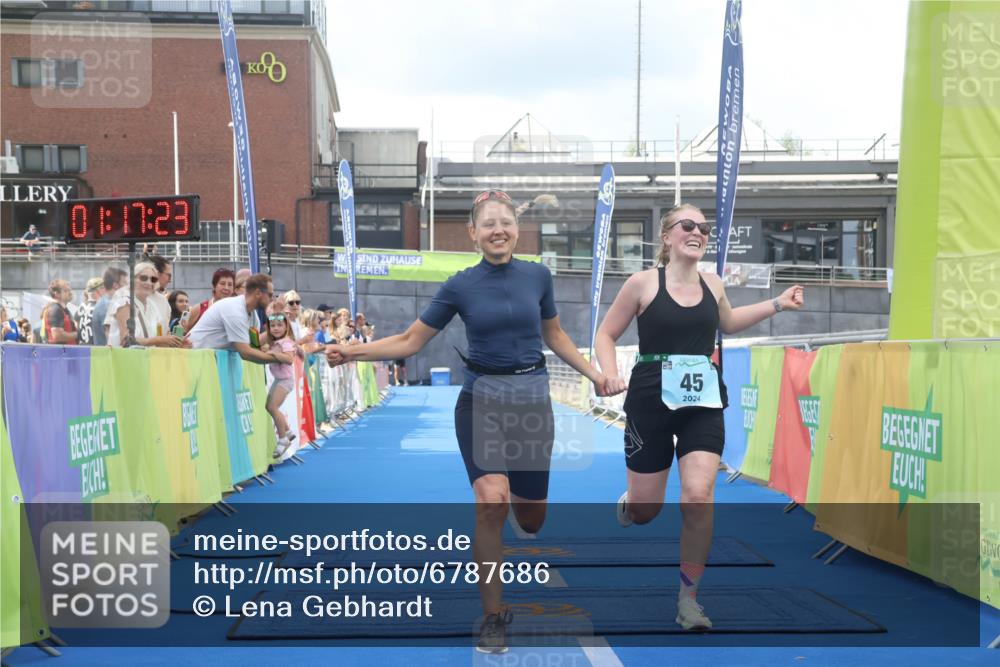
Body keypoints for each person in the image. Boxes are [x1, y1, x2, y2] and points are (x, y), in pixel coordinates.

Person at [325, 189, 616, 653]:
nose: (497, 230)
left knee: (531, 518)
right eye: (488, 224)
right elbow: (408, 340)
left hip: (532, 404)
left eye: (505, 222)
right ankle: (494, 615)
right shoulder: (460, 285)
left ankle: (520, 510)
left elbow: (555, 335)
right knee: (490, 501)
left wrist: (597, 376)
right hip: (481, 401)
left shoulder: (538, 276)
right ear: (474, 233)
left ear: (516, 229)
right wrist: (351, 351)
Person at [594, 203, 805, 631]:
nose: (698, 232)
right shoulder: (642, 283)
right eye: (687, 225)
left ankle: (688, 599)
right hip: (650, 398)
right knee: (647, 509)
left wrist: (776, 304)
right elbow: (605, 333)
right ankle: (632, 503)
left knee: (697, 493)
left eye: (704, 228)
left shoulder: (714, 283)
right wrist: (609, 373)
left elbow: (728, 322)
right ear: (667, 236)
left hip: (703, 398)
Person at [187, 273, 290, 366]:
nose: (272, 299)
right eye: (270, 295)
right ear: (258, 293)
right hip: (192, 359)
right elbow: (245, 353)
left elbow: (254, 345)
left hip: (204, 361)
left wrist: (278, 319)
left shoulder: (253, 315)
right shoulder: (234, 310)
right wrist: (278, 358)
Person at [107, 262, 184, 348]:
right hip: (124, 359)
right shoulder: (124, 302)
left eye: (153, 279)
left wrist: (176, 343)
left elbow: (158, 341)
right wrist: (159, 340)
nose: (148, 282)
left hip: (146, 360)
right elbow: (126, 341)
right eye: (143, 278)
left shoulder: (152, 306)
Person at [261, 312, 300, 458]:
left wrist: (272, 353)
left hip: (285, 380)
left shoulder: (286, 342)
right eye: (272, 326)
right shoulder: (275, 343)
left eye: (279, 325)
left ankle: (283, 439)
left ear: (286, 327)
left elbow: (289, 359)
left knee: (272, 407)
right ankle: (288, 431)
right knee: (268, 406)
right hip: (279, 379)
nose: (275, 328)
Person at [183, 268, 236, 332]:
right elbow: (180, 333)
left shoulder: (236, 311)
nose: (226, 288)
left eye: (230, 285)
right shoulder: (199, 309)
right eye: (222, 283)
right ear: (214, 286)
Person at [93, 267, 127, 346]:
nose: (127, 286)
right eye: (125, 283)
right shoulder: (107, 306)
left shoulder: (105, 302)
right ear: (115, 285)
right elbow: (111, 338)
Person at [42, 279, 78, 345]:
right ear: (57, 294)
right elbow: (57, 336)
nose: (70, 293)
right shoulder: (55, 310)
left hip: (66, 352)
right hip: (59, 353)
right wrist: (78, 334)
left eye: (70, 290)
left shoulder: (63, 309)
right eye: (66, 290)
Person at [146, 255, 173, 330]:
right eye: (169, 276)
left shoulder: (163, 301)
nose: (170, 280)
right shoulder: (128, 299)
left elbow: (165, 331)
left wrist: (177, 339)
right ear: (156, 273)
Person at [74, 277, 103, 345]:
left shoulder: (80, 307)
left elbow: (76, 328)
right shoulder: (100, 307)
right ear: (98, 290)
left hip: (82, 348)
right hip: (97, 349)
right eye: (103, 288)